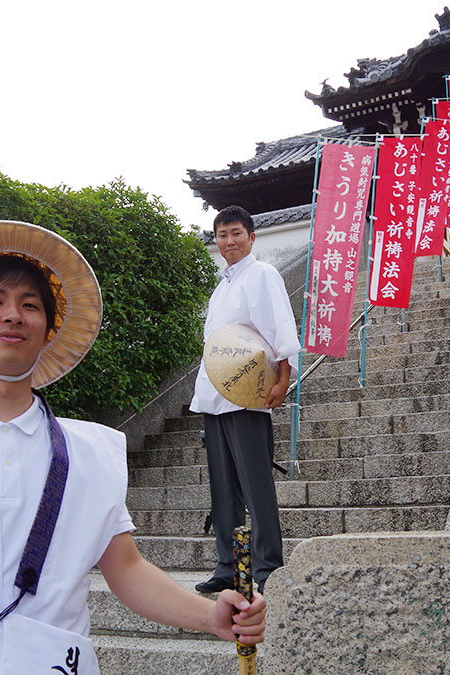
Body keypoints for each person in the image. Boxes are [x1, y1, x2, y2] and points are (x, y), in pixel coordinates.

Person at [0, 220, 265, 674]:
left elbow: (126, 569)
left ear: (47, 330)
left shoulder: (92, 451)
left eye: (30, 305)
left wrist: (208, 615)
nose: (12, 315)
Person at [190, 205, 300, 595]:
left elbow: (280, 329)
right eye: (222, 235)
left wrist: (283, 381)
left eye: (236, 233)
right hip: (214, 395)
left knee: (256, 485)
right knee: (222, 488)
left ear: (252, 237)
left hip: (249, 394)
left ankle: (268, 565)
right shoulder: (222, 286)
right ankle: (226, 565)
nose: (229, 241)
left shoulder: (262, 275)